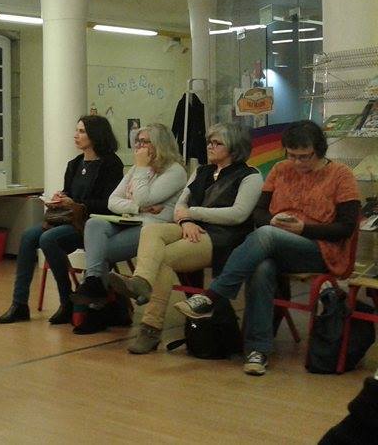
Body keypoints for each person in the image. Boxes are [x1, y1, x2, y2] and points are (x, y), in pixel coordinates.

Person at [175, 120, 360, 376]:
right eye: (291, 155)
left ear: (319, 150)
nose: (297, 162)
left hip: (321, 249)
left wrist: (303, 229)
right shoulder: (280, 169)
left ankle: (212, 296)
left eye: (304, 156)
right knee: (262, 267)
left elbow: (346, 228)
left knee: (266, 235)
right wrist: (273, 220)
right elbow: (259, 213)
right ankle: (257, 350)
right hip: (277, 244)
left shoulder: (341, 175)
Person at [107, 123, 262, 353]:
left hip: (224, 237)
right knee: (151, 230)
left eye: (217, 143)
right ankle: (141, 282)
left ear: (234, 147)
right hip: (191, 227)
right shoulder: (202, 171)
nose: (210, 146)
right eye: (209, 142)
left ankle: (150, 327)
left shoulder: (250, 176)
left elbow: (238, 214)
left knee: (163, 258)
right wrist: (185, 221)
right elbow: (181, 205)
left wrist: (193, 214)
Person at [0, 115, 124, 324]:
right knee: (28, 236)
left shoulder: (111, 164)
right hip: (69, 220)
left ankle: (66, 299)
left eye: (82, 131)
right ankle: (19, 304)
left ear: (96, 135)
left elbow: (110, 203)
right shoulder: (75, 164)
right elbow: (69, 192)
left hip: (92, 225)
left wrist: (76, 203)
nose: (76, 135)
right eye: (77, 130)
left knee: (49, 239)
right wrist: (61, 198)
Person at [71, 123, 187, 333]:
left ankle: (97, 307)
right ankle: (97, 287)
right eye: (138, 141)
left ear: (159, 144)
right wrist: (137, 206)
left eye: (144, 142)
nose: (139, 146)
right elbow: (113, 201)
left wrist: (141, 170)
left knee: (99, 253)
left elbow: (143, 196)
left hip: (153, 228)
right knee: (94, 224)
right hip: (130, 219)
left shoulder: (174, 170)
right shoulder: (136, 168)